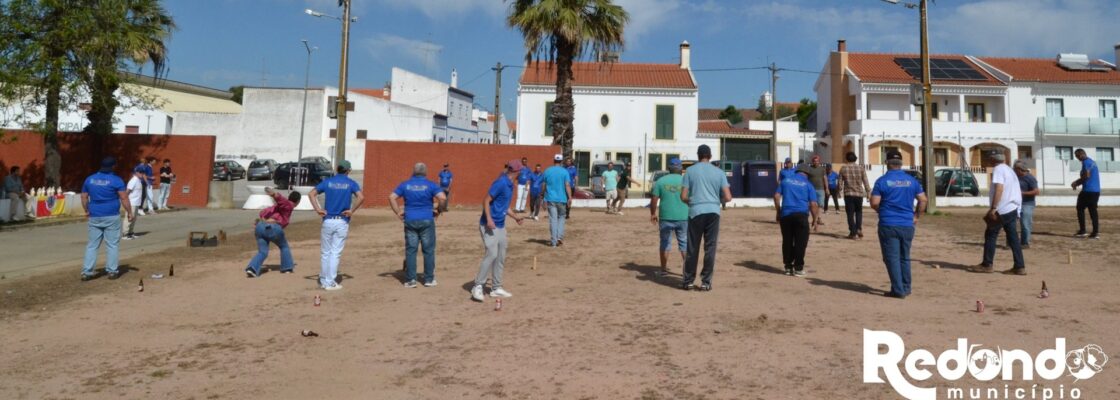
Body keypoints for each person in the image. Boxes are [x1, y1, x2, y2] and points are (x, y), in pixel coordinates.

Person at [870, 150, 928, 299]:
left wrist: (881, 210)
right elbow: (923, 200)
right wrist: (916, 215)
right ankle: (906, 287)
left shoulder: (882, 181)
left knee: (891, 258)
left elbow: (874, 202)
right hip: (907, 224)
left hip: (888, 223)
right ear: (901, 164)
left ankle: (898, 290)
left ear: (887, 163)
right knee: (904, 257)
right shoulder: (912, 181)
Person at [471, 160, 526, 302]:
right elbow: (486, 200)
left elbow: (504, 206)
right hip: (489, 224)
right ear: (516, 172)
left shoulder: (510, 185)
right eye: (521, 171)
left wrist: (515, 217)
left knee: (500, 255)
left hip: (501, 225)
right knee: (492, 254)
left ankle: (496, 288)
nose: (522, 173)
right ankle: (478, 286)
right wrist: (489, 219)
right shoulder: (501, 183)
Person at [680, 144, 732, 291]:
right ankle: (706, 282)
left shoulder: (690, 171)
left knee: (692, 247)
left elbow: (683, 196)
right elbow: (728, 197)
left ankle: (689, 280)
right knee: (710, 247)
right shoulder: (719, 172)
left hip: (696, 211)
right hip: (713, 212)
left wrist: (691, 201)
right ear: (710, 156)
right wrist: (717, 201)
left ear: (698, 156)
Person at [309, 160, 365, 291]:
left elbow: (312, 193)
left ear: (337, 169)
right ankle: (330, 281)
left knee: (325, 252)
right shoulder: (350, 183)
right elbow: (361, 197)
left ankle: (324, 279)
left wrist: (318, 209)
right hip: (341, 220)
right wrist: (352, 210)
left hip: (327, 219)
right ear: (348, 170)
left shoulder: (328, 182)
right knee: (335, 252)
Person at [389, 163, 448, 288]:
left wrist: (398, 212)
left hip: (410, 219)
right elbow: (442, 198)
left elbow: (392, 197)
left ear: (413, 172)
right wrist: (438, 211)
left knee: (411, 250)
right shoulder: (431, 184)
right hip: (427, 219)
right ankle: (429, 279)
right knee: (428, 250)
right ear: (425, 172)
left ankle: (411, 280)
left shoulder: (405, 184)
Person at [969, 152, 1025, 275]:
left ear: (993, 159)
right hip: (1012, 207)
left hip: (1002, 209)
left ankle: (987, 264)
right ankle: (1019, 266)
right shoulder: (1010, 170)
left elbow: (999, 188)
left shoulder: (998, 169)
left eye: (989, 158)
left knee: (991, 234)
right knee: (1013, 238)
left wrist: (993, 208)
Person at [80, 157, 133, 281]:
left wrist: (86, 210)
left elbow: (83, 196)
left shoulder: (90, 179)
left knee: (92, 245)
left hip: (95, 215)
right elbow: (124, 197)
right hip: (111, 215)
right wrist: (129, 212)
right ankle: (112, 271)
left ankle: (87, 271)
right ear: (113, 166)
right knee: (112, 244)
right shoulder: (116, 180)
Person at [245, 188, 301, 277]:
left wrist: (264, 220)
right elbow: (283, 202)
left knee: (262, 252)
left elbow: (262, 212)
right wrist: (275, 195)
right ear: (298, 201)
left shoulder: (275, 207)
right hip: (273, 228)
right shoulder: (288, 205)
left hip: (260, 227)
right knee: (284, 246)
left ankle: (252, 268)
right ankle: (287, 268)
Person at [774, 170, 819, 277]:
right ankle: (798, 268)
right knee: (801, 242)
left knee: (787, 240)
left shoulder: (785, 181)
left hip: (786, 214)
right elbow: (813, 204)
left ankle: (788, 267)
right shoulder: (808, 185)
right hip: (801, 215)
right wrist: (815, 219)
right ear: (806, 175)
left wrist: (778, 211)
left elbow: (776, 196)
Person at [650, 158, 688, 277]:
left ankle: (663, 270)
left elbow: (654, 199)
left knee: (665, 243)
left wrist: (653, 213)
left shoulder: (660, 181)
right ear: (681, 169)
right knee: (684, 243)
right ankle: (687, 272)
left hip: (666, 217)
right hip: (683, 216)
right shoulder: (686, 181)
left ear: (669, 169)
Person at [540, 154, 573, 247]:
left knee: (553, 220)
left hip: (550, 198)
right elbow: (567, 185)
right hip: (562, 199)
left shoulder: (547, 171)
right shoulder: (565, 171)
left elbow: (543, 185)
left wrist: (542, 196)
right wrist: (570, 197)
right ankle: (559, 237)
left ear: (553, 160)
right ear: (562, 161)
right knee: (562, 217)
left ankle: (554, 241)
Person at [838, 152, 872, 239]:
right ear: (855, 159)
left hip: (848, 194)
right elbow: (865, 181)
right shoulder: (861, 168)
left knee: (850, 214)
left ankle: (853, 232)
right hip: (859, 194)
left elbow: (840, 183)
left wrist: (839, 191)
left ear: (846, 159)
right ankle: (859, 229)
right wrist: (868, 192)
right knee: (859, 212)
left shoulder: (843, 168)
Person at [1072, 149, 1100, 239]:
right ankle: (1095, 233)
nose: (1078, 158)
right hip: (1096, 191)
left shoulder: (1086, 162)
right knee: (1093, 211)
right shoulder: (1092, 162)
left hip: (1088, 190)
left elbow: (1086, 176)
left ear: (1081, 154)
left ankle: (1082, 231)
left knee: (1080, 208)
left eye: (1078, 156)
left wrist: (1076, 183)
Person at [797, 155, 829, 229]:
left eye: (817, 161)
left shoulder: (822, 169)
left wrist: (827, 188)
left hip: (820, 189)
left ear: (819, 161)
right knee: (811, 205)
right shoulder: (809, 169)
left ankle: (817, 218)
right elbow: (805, 178)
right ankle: (816, 219)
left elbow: (825, 179)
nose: (816, 162)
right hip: (811, 189)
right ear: (812, 162)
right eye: (814, 161)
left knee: (820, 205)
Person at [1015, 161, 1039, 249]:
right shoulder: (1015, 177)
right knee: (1011, 224)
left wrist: (1023, 193)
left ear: (1020, 170)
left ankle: (1025, 243)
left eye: (1015, 169)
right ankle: (1012, 242)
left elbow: (1036, 191)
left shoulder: (1030, 178)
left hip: (1027, 204)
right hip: (1016, 203)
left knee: (1025, 224)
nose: (1014, 171)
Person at [123, 169, 145, 240]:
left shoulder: (138, 180)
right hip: (131, 203)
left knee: (134, 219)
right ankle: (125, 234)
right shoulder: (133, 180)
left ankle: (130, 233)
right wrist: (125, 201)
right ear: (136, 172)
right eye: (141, 172)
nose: (142, 174)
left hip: (136, 203)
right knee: (129, 218)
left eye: (143, 172)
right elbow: (127, 191)